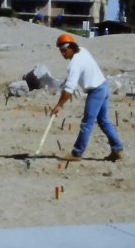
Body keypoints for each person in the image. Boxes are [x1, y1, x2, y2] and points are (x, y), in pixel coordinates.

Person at [49, 33, 124, 162]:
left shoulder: (74, 64)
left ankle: (77, 153)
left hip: (96, 91)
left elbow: (70, 88)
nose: (63, 54)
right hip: (104, 87)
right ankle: (117, 149)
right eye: (61, 51)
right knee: (103, 120)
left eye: (64, 50)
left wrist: (59, 105)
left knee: (87, 123)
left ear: (72, 47)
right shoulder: (83, 51)